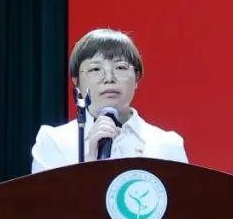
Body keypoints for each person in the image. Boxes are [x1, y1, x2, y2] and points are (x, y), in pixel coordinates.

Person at [30, 28, 187, 172]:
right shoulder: (54, 142)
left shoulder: (167, 144)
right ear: (76, 81)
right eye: (95, 69)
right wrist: (89, 164)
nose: (109, 78)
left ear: (137, 77)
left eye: (120, 68)